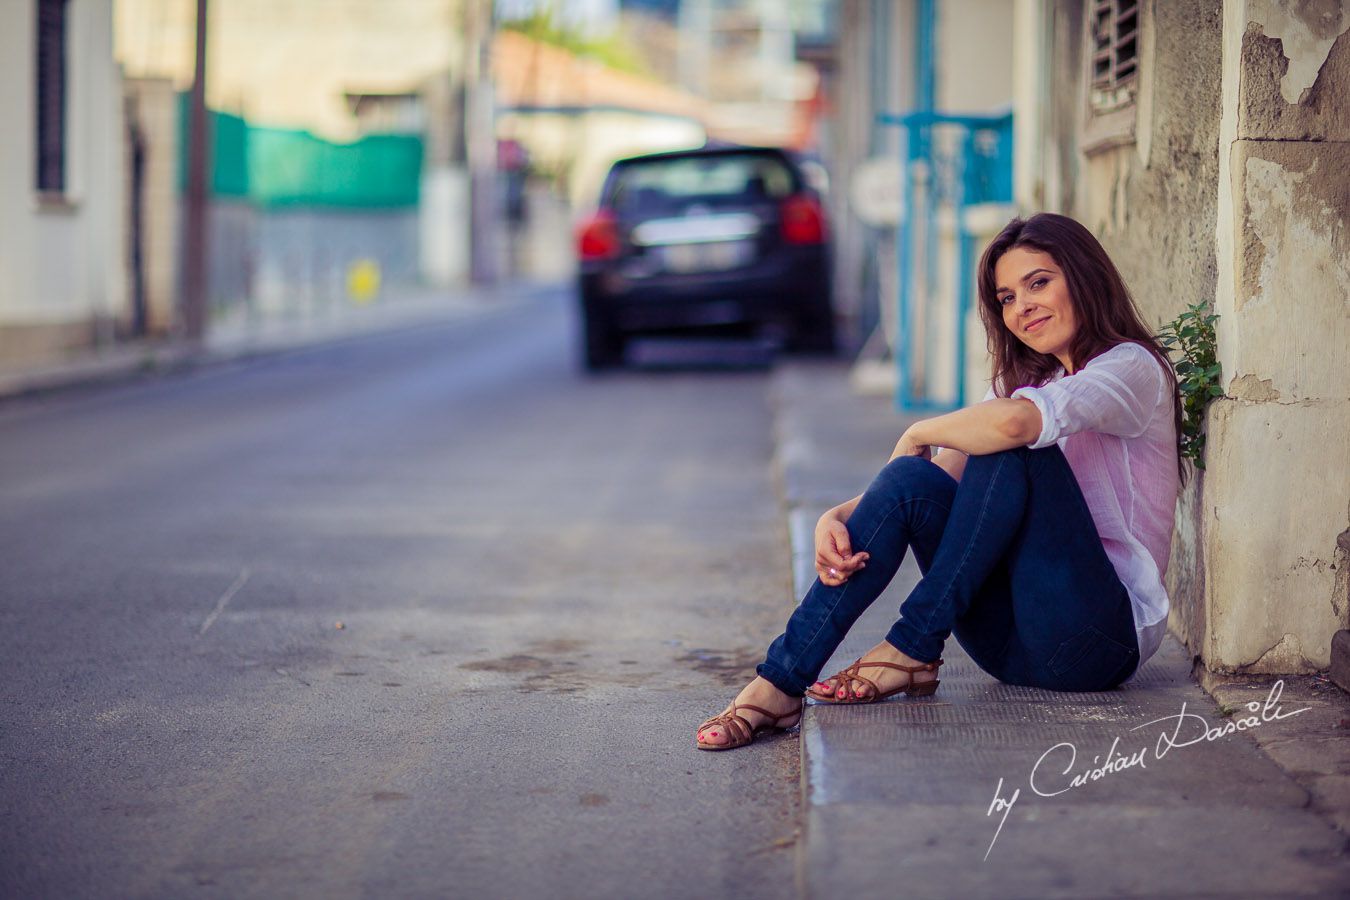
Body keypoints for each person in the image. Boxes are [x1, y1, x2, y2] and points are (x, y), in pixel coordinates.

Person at [696, 213, 1184, 751]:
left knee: (1009, 446)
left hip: (1096, 642)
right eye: (1006, 297)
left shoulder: (1132, 368)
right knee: (911, 477)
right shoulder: (1034, 384)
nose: (1022, 307)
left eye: (1038, 282)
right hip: (1007, 647)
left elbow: (1011, 428)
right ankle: (780, 682)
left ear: (1085, 277)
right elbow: (933, 473)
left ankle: (910, 645)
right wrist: (842, 515)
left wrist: (918, 428)